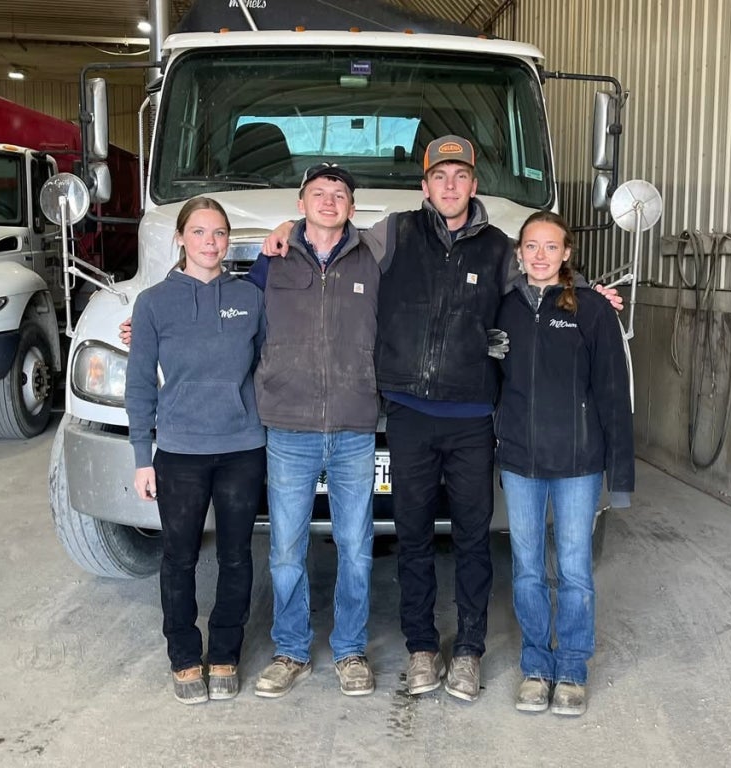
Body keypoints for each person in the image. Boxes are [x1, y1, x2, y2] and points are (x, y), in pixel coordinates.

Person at [265, 135, 620, 703]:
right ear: (424, 185)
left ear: (473, 184)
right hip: (407, 414)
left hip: (473, 417)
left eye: (460, 176)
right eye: (439, 177)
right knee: (412, 537)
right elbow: (328, 232)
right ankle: (422, 648)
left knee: (474, 540)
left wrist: (592, 296)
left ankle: (471, 651)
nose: (449, 186)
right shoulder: (394, 233)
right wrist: (285, 228)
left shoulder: (502, 249)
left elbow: (543, 283)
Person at [125, 196, 267, 705]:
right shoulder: (154, 304)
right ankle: (184, 656)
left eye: (220, 234)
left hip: (242, 448)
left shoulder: (250, 297)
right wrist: (144, 455)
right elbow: (140, 382)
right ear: (181, 238)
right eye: (201, 232)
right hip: (180, 451)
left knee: (235, 557)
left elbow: (271, 359)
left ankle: (225, 652)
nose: (211, 242)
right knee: (178, 558)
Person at [495, 211, 634, 717]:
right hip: (521, 460)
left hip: (578, 462)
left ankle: (572, 667)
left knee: (574, 569)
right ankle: (536, 665)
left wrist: (619, 477)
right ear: (519, 252)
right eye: (531, 246)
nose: (539, 255)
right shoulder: (504, 308)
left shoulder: (593, 309)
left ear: (567, 253)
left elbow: (613, 393)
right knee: (528, 569)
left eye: (550, 247)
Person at [251, 164, 382, 699]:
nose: (330, 201)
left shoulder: (375, 258)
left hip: (354, 424)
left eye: (340, 194)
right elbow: (223, 307)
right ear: (301, 202)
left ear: (352, 207)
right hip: (290, 426)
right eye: (319, 193)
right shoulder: (270, 261)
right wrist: (143, 323)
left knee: (356, 546)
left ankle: (351, 651)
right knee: (286, 548)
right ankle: (292, 650)